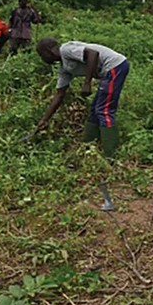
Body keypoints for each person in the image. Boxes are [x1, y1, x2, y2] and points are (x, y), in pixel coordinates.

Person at [34, 38, 130, 210]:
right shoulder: (64, 67)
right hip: (107, 72)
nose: (43, 60)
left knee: (104, 111)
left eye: (42, 55)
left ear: (49, 51)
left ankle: (111, 158)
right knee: (94, 113)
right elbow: (59, 95)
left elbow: (93, 54)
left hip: (115, 66)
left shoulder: (66, 50)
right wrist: (44, 120)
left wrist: (87, 83)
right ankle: (86, 150)